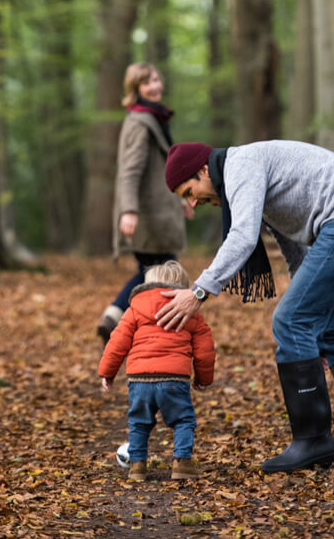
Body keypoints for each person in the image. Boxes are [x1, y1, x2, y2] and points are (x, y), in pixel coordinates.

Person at [157, 141, 334, 474]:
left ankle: (313, 442)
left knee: (289, 322)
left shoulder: (240, 166)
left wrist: (198, 291)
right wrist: (309, 313)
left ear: (203, 170)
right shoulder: (251, 173)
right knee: (328, 330)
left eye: (190, 190)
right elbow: (295, 252)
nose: (194, 202)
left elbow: (242, 237)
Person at [97, 62, 193, 345]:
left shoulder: (154, 118)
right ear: (135, 89)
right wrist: (129, 210)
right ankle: (132, 329)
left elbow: (165, 168)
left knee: (152, 274)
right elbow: (130, 170)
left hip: (161, 213)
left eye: (155, 80)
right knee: (164, 276)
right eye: (146, 82)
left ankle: (117, 320)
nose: (154, 86)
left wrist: (182, 198)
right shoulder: (140, 122)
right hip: (148, 217)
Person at [98, 260, 215, 481]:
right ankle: (181, 464)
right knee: (183, 420)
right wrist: (203, 378)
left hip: (139, 380)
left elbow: (117, 342)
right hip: (174, 379)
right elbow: (205, 350)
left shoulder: (134, 309)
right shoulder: (190, 313)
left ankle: (137, 467)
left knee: (139, 423)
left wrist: (108, 372)